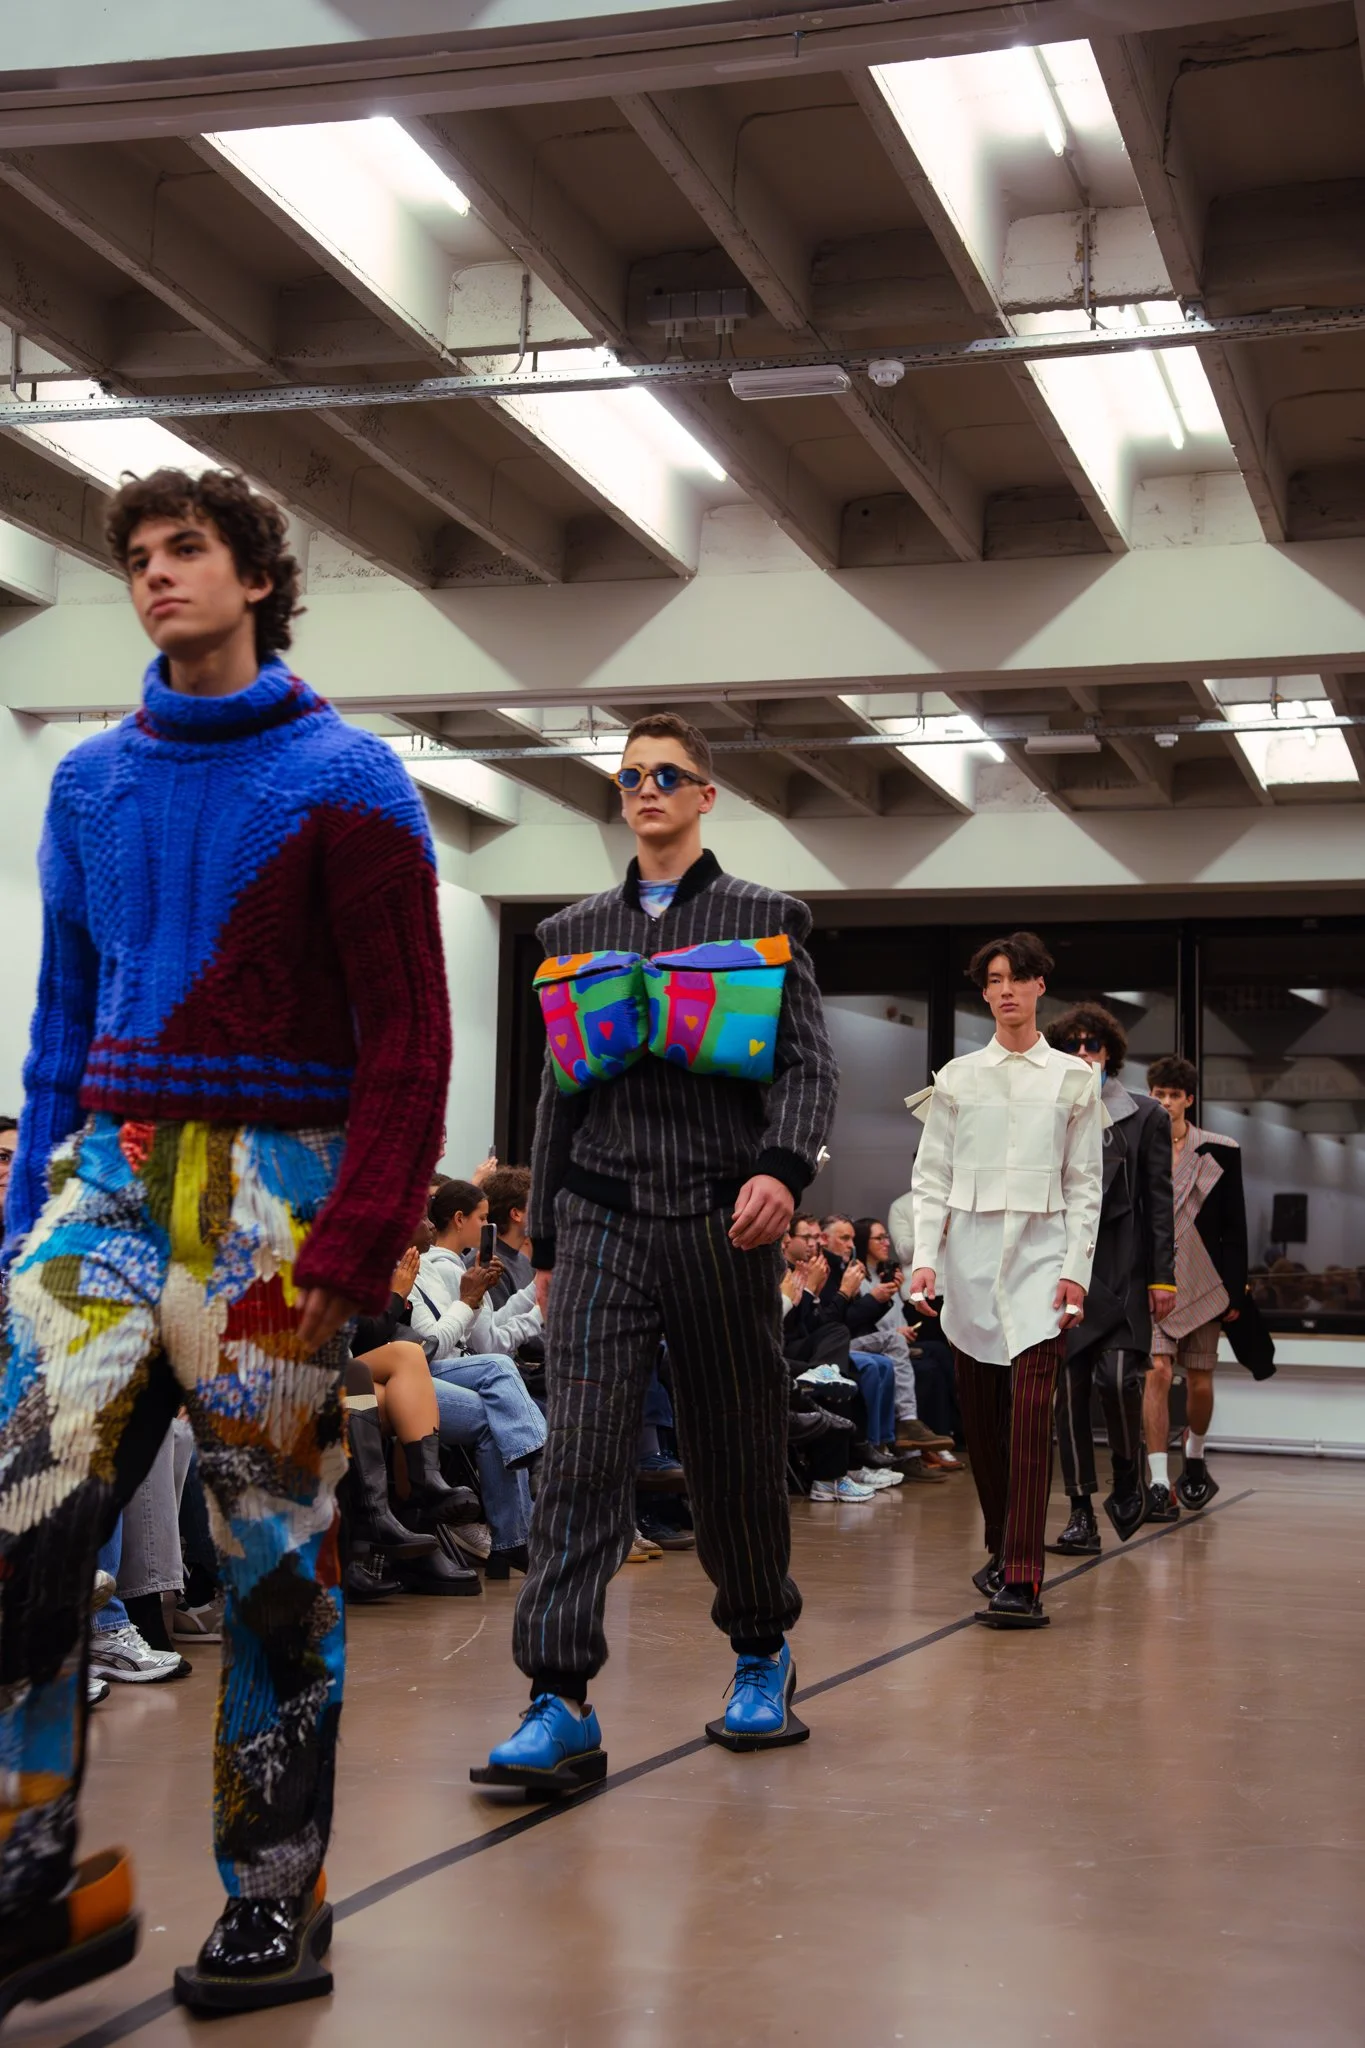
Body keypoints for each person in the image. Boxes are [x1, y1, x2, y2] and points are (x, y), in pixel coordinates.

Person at [0, 467, 450, 2018]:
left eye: (184, 548)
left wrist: (367, 1236)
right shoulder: (84, 786)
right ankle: (24, 1871)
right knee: (17, 1510)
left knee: (269, 1564)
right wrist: (21, 1226)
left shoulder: (352, 781)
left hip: (278, 1201)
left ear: (257, 575)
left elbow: (409, 1034)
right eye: (134, 556)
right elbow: (59, 1025)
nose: (153, 575)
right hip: (108, 1185)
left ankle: (275, 1896)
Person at [476, 709, 837, 1792]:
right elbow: (556, 1093)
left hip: (725, 1219)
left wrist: (783, 1168)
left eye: (667, 774)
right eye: (629, 775)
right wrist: (541, 1238)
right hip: (598, 1219)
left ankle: (761, 1649)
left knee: (733, 1447)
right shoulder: (573, 932)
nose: (646, 789)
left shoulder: (765, 921)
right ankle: (557, 1696)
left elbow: (810, 1072)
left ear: (705, 794)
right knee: (582, 1448)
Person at [909, 932, 1102, 1629]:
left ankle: (1022, 1576)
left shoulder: (1075, 1080)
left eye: (1019, 978)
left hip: (1042, 1267)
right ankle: (999, 1548)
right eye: (995, 979)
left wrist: (1075, 1272)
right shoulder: (956, 1078)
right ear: (984, 992)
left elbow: (1085, 1185)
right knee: (983, 1428)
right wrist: (924, 1257)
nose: (1007, 989)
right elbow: (929, 1178)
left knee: (1029, 1421)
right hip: (966, 1268)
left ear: (1038, 987)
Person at [1043, 1004, 1175, 1553]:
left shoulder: (1146, 1116)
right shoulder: (1047, 1113)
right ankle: (1079, 1513)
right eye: (1072, 1046)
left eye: (1092, 1045)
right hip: (1064, 1267)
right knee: (1067, 1394)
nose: (1082, 1054)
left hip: (1124, 1267)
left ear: (1109, 1054)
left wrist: (1163, 1279)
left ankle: (1127, 1474)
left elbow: (1160, 1205)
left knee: (1120, 1380)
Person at [1143, 1055, 1250, 1520]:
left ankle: (1196, 1454)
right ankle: (1158, 1480)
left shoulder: (1219, 1149)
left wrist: (1235, 1287)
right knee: (1159, 1372)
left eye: (1173, 1095)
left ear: (1189, 1099)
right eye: (1158, 1093)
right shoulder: (1137, 1146)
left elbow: (1234, 1224)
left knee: (1200, 1380)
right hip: (1152, 1278)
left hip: (1204, 1276)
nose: (1165, 1102)